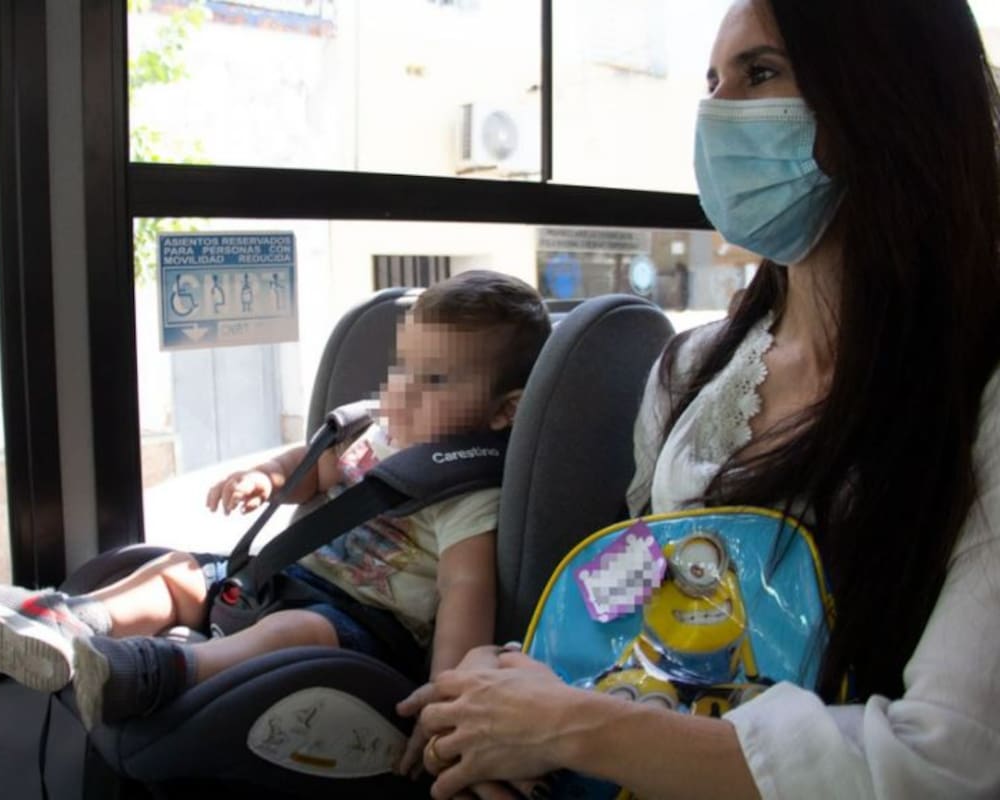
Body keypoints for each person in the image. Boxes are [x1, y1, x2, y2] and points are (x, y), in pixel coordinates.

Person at [396, 1, 1000, 798]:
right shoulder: (690, 369)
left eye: (760, 73)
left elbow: (948, 762)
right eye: (712, 82)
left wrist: (566, 726)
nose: (717, 114)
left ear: (891, 95)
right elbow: (634, 611)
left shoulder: (977, 396)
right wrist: (511, 682)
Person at [0, 269, 552, 735]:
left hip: (362, 629)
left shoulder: (470, 492)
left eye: (437, 381)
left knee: (295, 632)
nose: (403, 390)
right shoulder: (376, 432)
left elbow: (463, 596)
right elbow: (314, 468)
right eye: (404, 368)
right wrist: (268, 475)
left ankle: (148, 672)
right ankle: (69, 619)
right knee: (180, 572)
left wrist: (443, 703)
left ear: (504, 410)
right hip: (280, 578)